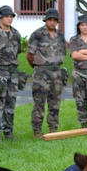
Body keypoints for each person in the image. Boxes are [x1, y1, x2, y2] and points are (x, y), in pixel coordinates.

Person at [27, 8, 66, 138]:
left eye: (54, 20)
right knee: (39, 102)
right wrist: (38, 68)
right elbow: (29, 55)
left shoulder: (60, 35)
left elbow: (63, 53)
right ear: (46, 20)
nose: (52, 22)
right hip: (42, 72)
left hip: (57, 72)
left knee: (55, 102)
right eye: (50, 20)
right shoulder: (38, 34)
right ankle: (37, 130)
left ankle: (53, 129)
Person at [0, 5, 21, 142]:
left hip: (13, 73)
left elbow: (17, 52)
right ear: (0, 17)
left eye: (11, 16)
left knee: (11, 103)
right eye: (7, 16)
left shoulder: (16, 34)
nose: (10, 19)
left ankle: (9, 132)